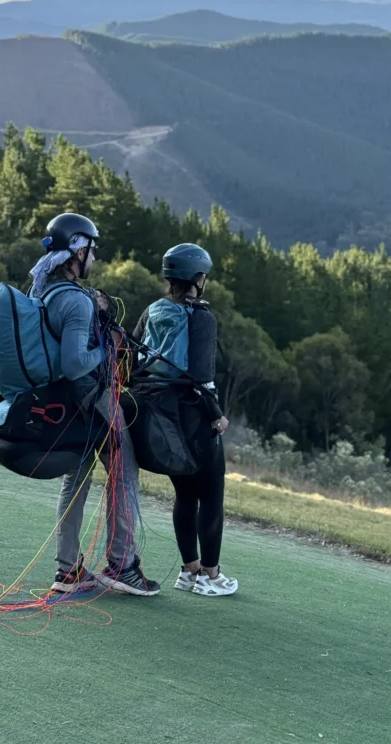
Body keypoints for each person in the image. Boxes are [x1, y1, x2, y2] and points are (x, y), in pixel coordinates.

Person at [27, 213, 160, 597]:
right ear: (76, 252)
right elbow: (74, 362)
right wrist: (104, 347)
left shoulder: (45, 292)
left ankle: (68, 570)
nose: (94, 257)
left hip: (65, 402)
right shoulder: (75, 301)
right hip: (93, 398)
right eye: (91, 249)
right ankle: (123, 565)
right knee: (125, 471)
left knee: (77, 478)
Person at [134, 243, 238, 597]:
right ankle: (211, 574)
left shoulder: (153, 310)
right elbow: (201, 378)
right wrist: (217, 417)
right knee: (211, 495)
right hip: (195, 418)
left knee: (184, 495)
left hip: (163, 417)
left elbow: (134, 358)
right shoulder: (202, 318)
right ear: (197, 278)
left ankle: (188, 570)